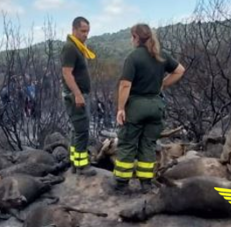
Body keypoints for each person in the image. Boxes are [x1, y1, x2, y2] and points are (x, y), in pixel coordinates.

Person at [112, 23, 185, 193]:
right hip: (156, 107)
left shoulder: (133, 57)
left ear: (136, 37)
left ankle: (122, 183)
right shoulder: (160, 55)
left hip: (136, 107)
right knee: (148, 145)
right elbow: (180, 70)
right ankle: (146, 183)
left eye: (132, 37)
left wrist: (121, 108)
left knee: (128, 144)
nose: (132, 40)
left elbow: (124, 85)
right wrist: (162, 85)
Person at [61, 16, 97, 176]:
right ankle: (82, 166)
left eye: (87, 31)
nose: (85, 35)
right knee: (82, 130)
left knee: (77, 130)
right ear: (74, 30)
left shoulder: (78, 47)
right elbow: (66, 73)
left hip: (81, 94)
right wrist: (77, 94)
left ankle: (75, 163)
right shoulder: (70, 48)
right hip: (76, 95)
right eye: (83, 31)